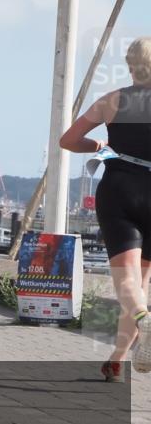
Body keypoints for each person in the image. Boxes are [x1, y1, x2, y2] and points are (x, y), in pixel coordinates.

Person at [60, 36, 151, 380]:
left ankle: (144, 323)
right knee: (141, 281)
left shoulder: (112, 100)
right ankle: (118, 357)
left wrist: (99, 144)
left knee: (127, 281)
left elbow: (68, 140)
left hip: (120, 189)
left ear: (130, 66)